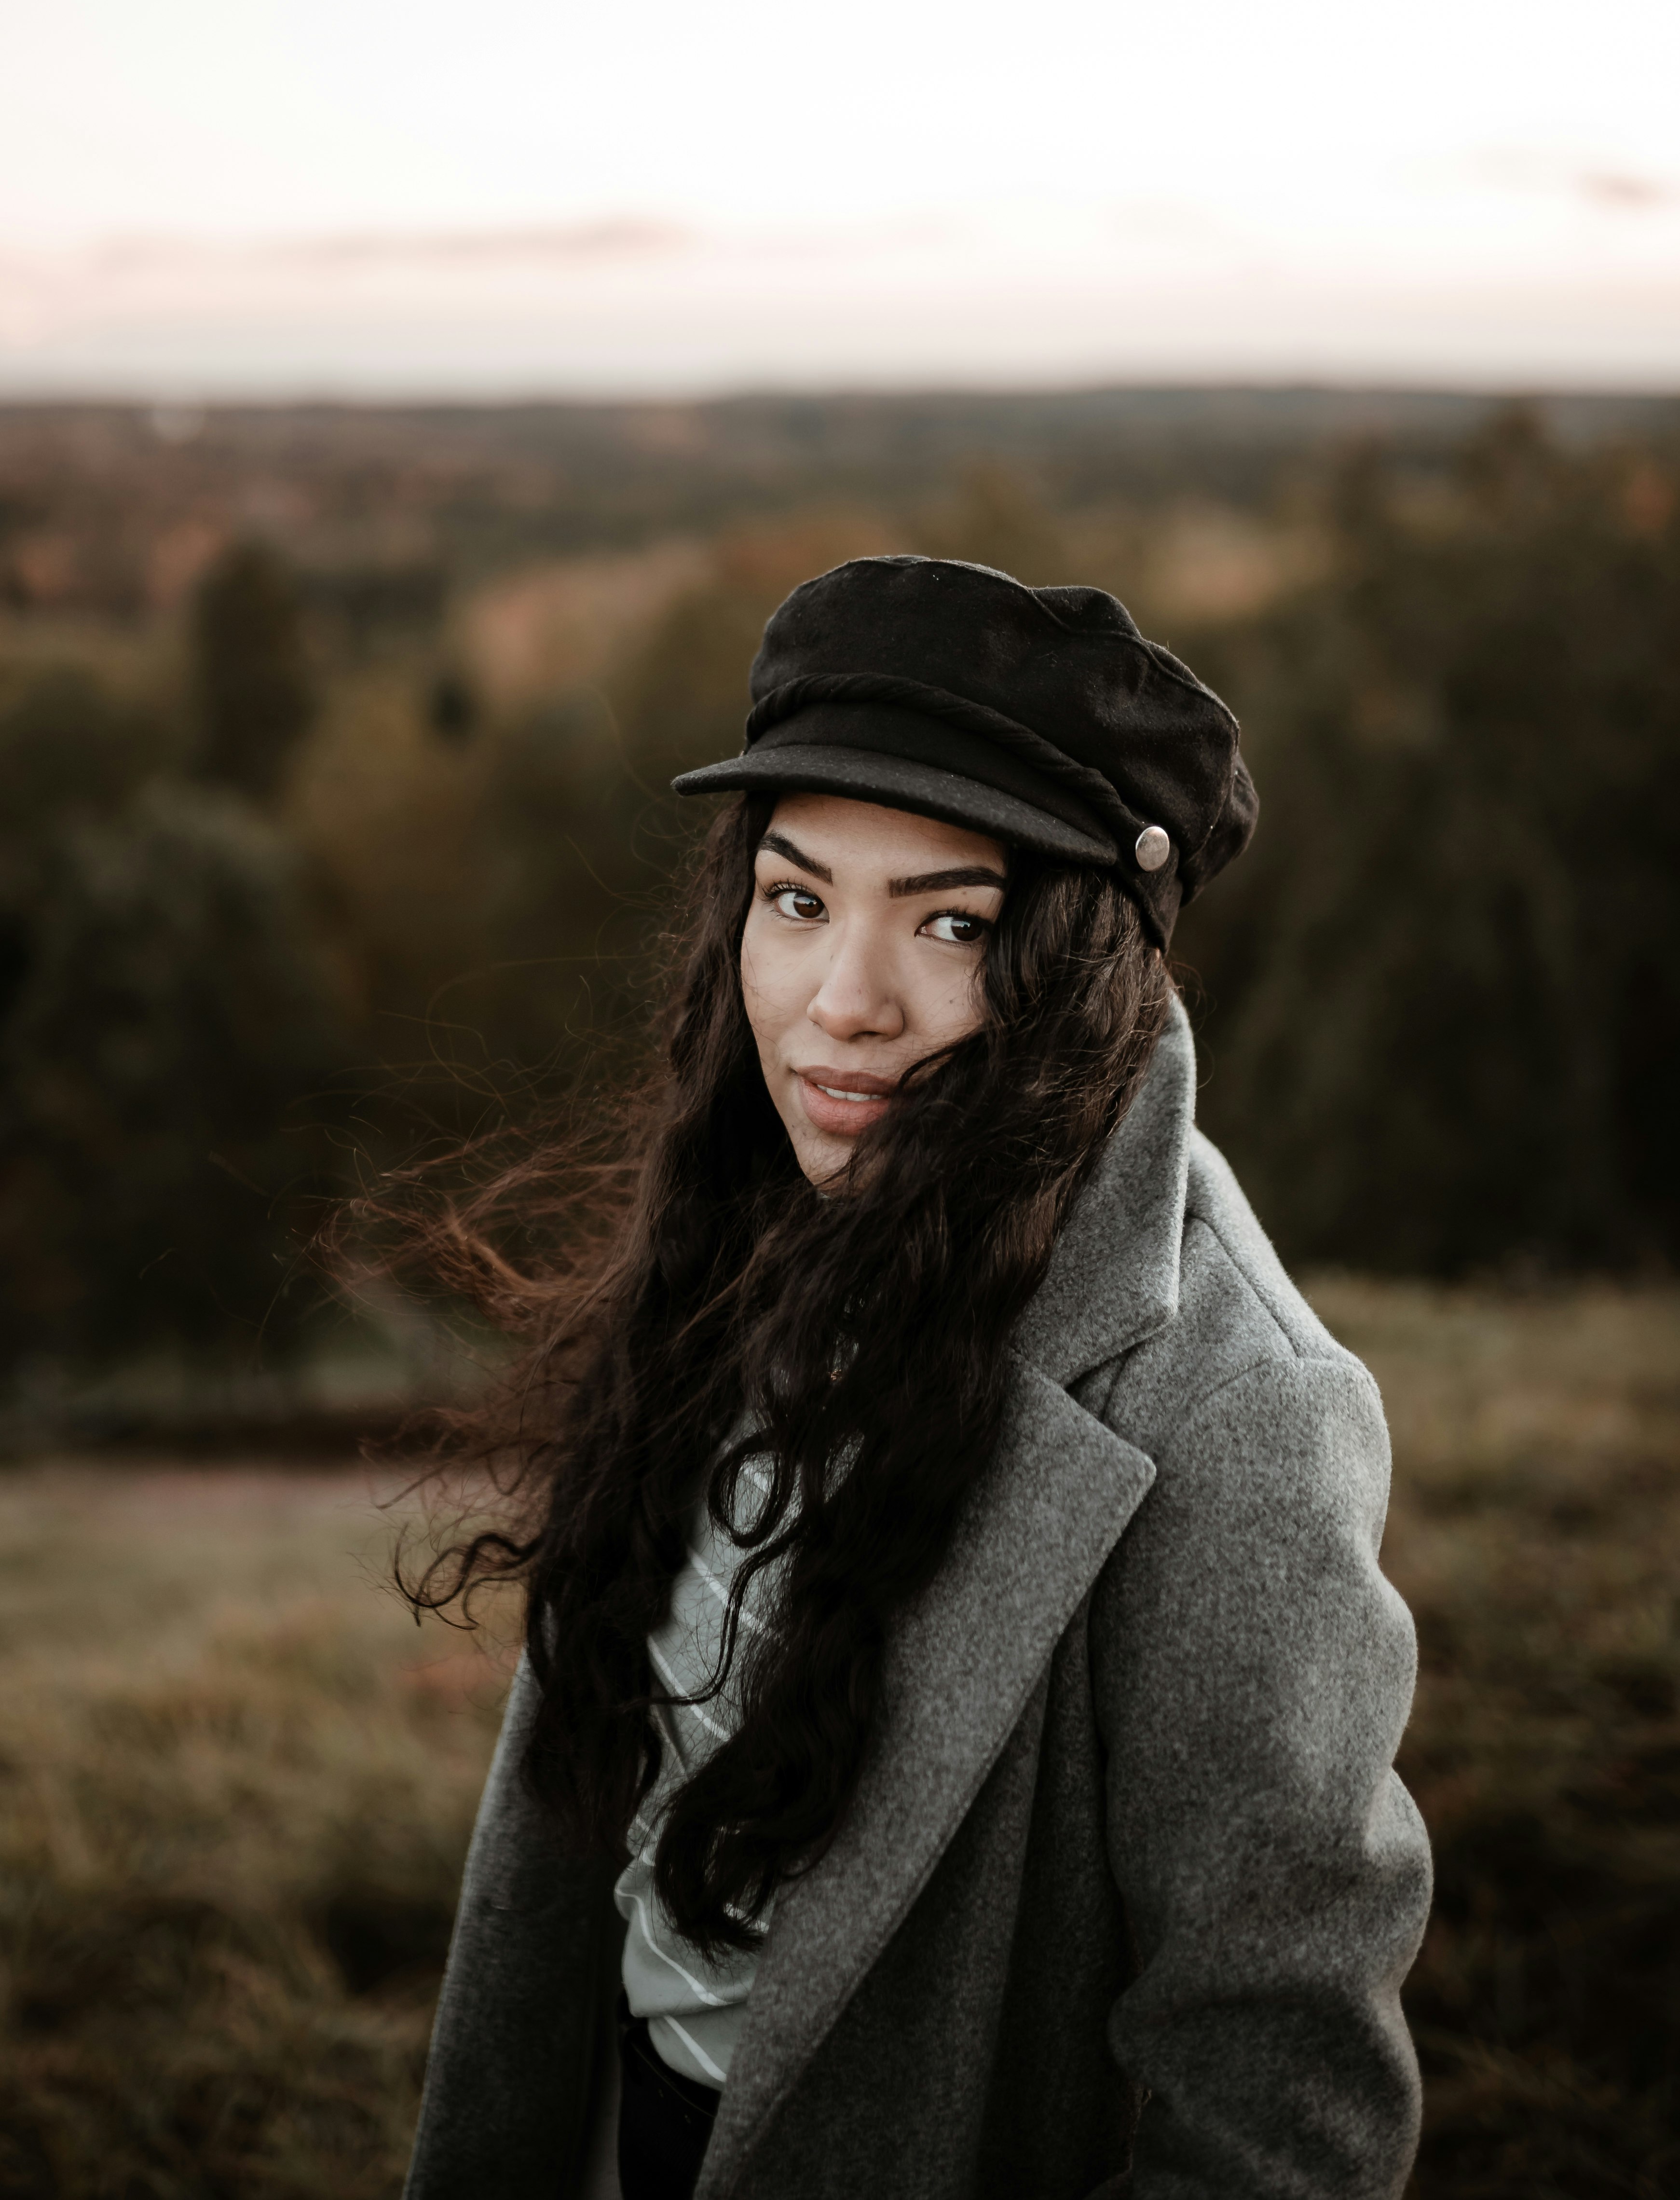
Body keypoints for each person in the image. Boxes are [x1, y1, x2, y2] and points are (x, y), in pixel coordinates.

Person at [400, 555, 1431, 2200]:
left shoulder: (1235, 1414)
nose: (842, 1006)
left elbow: (1277, 2096)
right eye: (800, 900)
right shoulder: (756, 1200)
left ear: (1082, 977)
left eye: (951, 923)